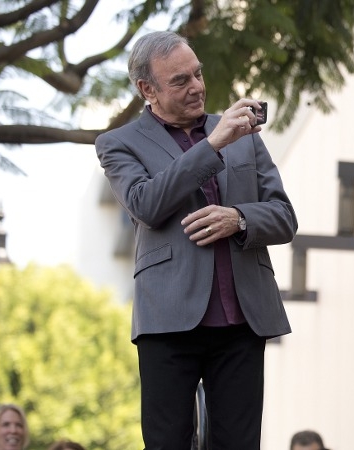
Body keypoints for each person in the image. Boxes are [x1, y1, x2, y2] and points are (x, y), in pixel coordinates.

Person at [95, 30, 298, 450]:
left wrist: (239, 218)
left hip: (242, 318)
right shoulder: (118, 144)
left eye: (198, 74)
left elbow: (284, 218)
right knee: (167, 442)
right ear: (147, 89)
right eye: (180, 81)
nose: (197, 87)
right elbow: (145, 205)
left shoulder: (245, 134)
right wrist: (214, 143)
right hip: (167, 321)